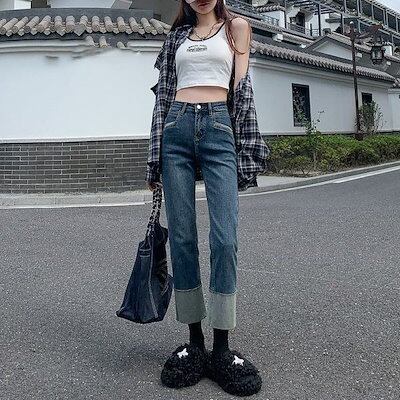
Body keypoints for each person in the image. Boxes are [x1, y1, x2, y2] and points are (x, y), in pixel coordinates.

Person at [146, 0, 268, 396]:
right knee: (182, 238)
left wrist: (246, 146)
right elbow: (162, 99)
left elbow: (242, 91)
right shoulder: (176, 37)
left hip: (218, 126)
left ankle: (222, 346)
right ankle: (194, 341)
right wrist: (154, 159)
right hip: (176, 127)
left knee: (225, 239)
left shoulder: (237, 28)